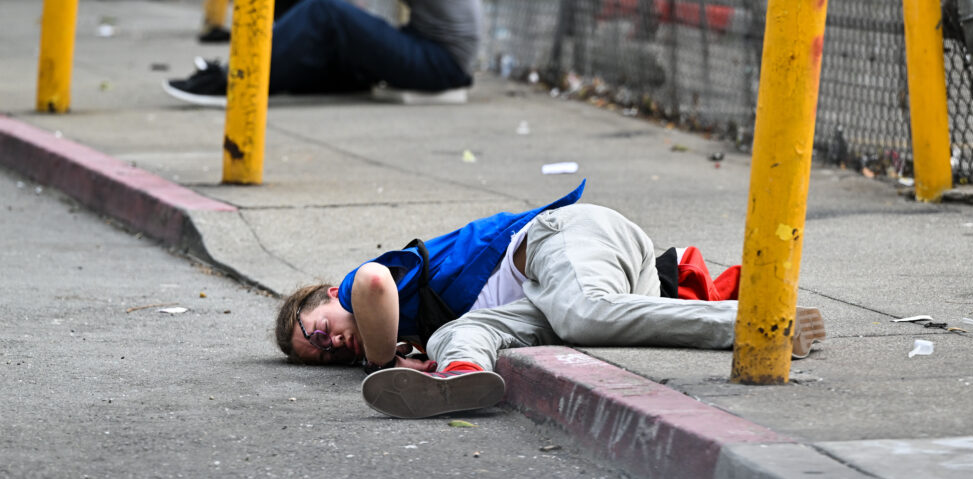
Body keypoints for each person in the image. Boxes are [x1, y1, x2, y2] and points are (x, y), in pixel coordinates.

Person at [274, 181, 826, 418]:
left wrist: (379, 361)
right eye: (327, 357)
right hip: (551, 292)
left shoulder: (358, 287)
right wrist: (418, 357)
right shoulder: (413, 332)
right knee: (456, 336)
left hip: (555, 241)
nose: (333, 345)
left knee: (583, 314)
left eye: (318, 332)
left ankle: (760, 324)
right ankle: (459, 377)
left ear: (323, 295)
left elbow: (374, 286)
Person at [164, 0, 482, 107]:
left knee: (323, 11)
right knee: (326, 17)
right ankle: (251, 67)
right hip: (422, 43)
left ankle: (235, 80)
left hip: (441, 61)